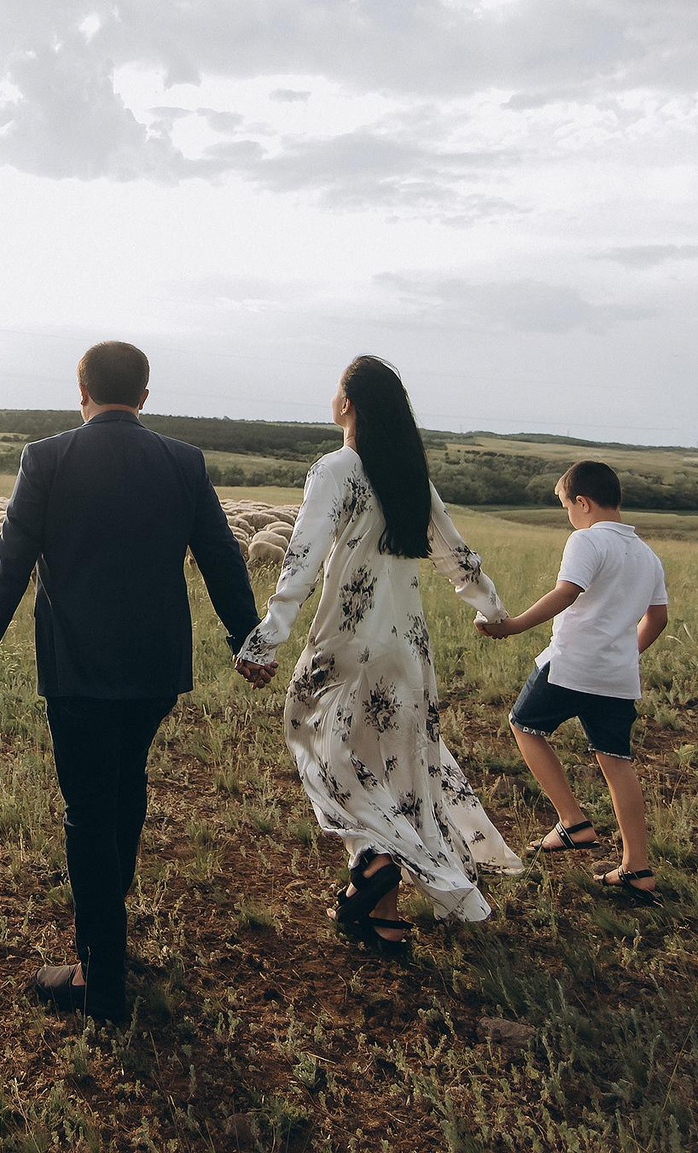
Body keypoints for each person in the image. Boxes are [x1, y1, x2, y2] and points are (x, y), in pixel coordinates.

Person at [0, 340, 260, 1025]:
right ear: (145, 396)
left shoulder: (48, 458)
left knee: (89, 810)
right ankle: (107, 938)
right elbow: (221, 557)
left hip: (79, 666)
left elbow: (9, 564)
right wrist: (246, 637)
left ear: (80, 388)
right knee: (126, 787)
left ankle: (100, 977)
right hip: (154, 669)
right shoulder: (183, 462)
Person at [232, 356, 522, 952]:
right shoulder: (409, 473)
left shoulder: (336, 468)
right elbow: (455, 554)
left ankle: (373, 860)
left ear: (348, 406)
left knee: (317, 743)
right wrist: (491, 610)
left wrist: (266, 638)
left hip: (347, 638)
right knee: (393, 766)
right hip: (406, 647)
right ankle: (385, 917)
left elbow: (302, 559)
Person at [479, 459, 671, 905]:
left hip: (571, 665)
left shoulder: (585, 540)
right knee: (616, 761)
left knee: (524, 725)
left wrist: (513, 625)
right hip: (617, 675)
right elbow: (657, 619)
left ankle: (573, 821)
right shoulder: (647, 555)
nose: (568, 514)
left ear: (582, 502)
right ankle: (637, 869)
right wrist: (622, 655)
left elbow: (567, 592)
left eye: (567, 505)